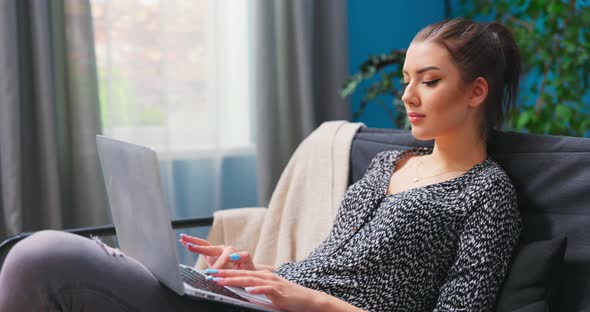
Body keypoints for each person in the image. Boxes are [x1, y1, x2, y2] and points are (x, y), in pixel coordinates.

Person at [0, 17, 522, 312]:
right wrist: (259, 273)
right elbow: (329, 266)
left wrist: (307, 301)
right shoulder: (388, 162)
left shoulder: (487, 195)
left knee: (42, 258)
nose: (408, 95)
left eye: (428, 81)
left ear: (476, 91)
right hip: (269, 303)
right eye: (406, 79)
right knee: (42, 257)